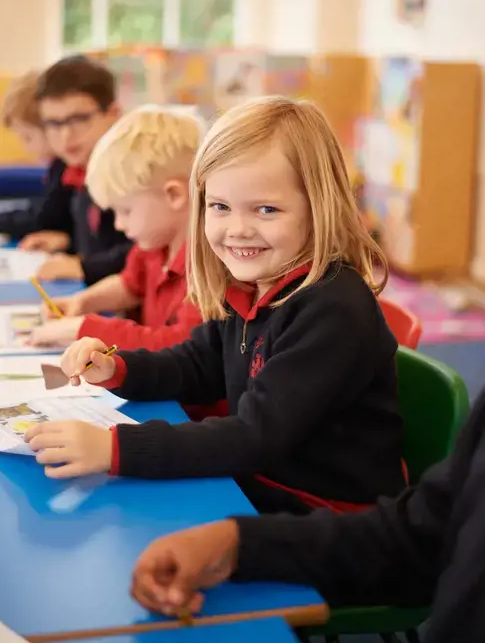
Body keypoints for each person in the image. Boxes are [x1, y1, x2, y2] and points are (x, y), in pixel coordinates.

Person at [25, 96, 405, 515]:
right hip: (255, 483)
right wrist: (117, 367)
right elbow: (195, 364)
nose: (238, 229)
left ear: (319, 208)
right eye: (220, 207)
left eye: (266, 209)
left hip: (321, 514)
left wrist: (115, 448)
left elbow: (255, 436)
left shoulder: (332, 309)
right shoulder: (252, 286)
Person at [127, 388, 485, 643]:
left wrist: (124, 447)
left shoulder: (335, 310)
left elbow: (256, 434)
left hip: (310, 497)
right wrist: (237, 542)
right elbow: (419, 537)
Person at [29, 106, 203, 350]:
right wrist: (83, 301)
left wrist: (83, 328)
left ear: (174, 195)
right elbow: (129, 285)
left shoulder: (205, 269)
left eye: (126, 211)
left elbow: (178, 346)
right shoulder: (153, 246)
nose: (119, 224)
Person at [25, 55, 132, 284]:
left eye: (79, 119)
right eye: (53, 123)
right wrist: (67, 242)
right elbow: (101, 243)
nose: (66, 135)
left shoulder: (133, 172)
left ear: (113, 114)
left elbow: (146, 250)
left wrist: (83, 266)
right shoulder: (78, 170)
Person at [0, 71, 71, 246]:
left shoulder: (67, 168)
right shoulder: (58, 166)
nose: (26, 148)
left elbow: (44, 217)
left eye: (28, 138)